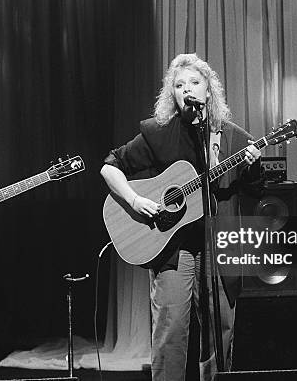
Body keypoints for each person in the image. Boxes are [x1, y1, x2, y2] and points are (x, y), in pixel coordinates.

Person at [101, 53, 261, 381]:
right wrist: (135, 199)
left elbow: (254, 190)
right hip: (172, 247)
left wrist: (253, 166)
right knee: (171, 330)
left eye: (194, 82)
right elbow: (109, 165)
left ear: (208, 91)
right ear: (172, 94)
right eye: (179, 84)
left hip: (217, 243)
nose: (186, 89)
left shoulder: (231, 137)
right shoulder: (159, 133)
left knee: (221, 327)